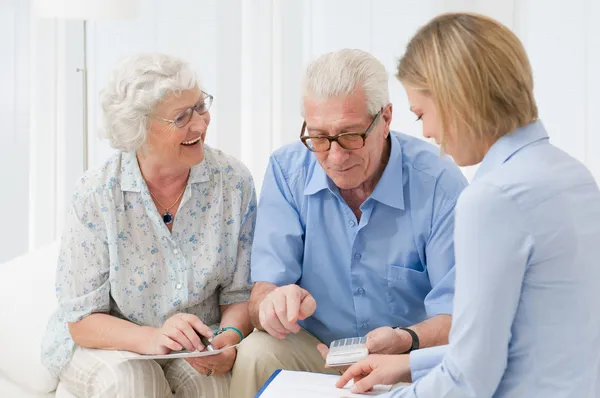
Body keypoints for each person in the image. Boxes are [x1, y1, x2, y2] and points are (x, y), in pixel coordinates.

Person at [336, 13, 600, 398]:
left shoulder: (493, 198)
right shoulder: (572, 174)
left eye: (422, 113)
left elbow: (469, 380)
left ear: (456, 98)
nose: (427, 133)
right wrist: (408, 364)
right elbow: (516, 343)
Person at [230, 49, 468, 398]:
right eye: (320, 138)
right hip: (317, 353)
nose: (335, 157)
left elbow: (459, 318)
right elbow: (261, 295)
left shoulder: (439, 183)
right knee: (255, 353)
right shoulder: (287, 170)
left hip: (407, 359)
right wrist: (275, 305)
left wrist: (406, 339)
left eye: (350, 136)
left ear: (385, 119)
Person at [41, 53, 256, 398]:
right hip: (109, 340)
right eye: (182, 117)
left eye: (200, 107)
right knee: (137, 385)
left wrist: (229, 339)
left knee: (214, 386)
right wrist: (152, 339)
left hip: (196, 342)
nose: (200, 125)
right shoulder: (97, 193)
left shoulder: (232, 182)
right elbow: (83, 320)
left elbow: (239, 294)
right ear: (137, 129)